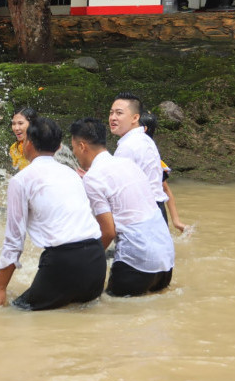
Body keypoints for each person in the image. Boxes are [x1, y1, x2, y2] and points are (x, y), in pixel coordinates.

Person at [0, 117, 106, 311]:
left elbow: (14, 240)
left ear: (29, 144)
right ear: (59, 146)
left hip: (63, 263)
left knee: (12, 314)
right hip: (96, 261)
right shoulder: (71, 174)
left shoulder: (21, 180)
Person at [70, 118, 175, 297]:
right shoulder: (128, 164)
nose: (74, 153)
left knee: (109, 315)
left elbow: (108, 232)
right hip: (165, 262)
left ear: (82, 146)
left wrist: (86, 263)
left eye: (73, 147)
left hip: (137, 263)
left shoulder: (93, 177)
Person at [109, 92, 169, 222]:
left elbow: (118, 189)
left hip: (143, 214)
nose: (113, 117)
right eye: (111, 113)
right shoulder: (144, 139)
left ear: (135, 118)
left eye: (119, 113)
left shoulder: (128, 146)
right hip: (155, 209)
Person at [139, 112, 187, 232]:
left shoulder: (153, 160)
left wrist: (176, 222)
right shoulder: (149, 157)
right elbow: (166, 190)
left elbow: (165, 189)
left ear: (143, 129)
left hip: (149, 214)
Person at [9, 107, 37, 172]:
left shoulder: (46, 145)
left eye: (20, 123)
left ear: (32, 124)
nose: (16, 128)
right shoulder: (14, 149)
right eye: (13, 124)